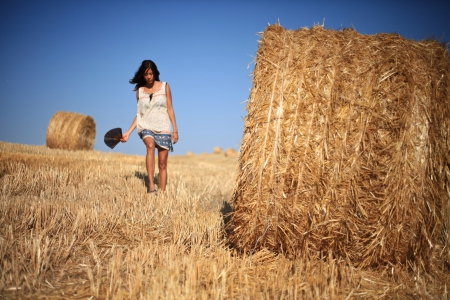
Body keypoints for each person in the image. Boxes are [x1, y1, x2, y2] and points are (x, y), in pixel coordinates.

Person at [120, 60, 178, 194]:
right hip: (146, 125)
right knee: (150, 146)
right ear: (143, 75)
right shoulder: (140, 91)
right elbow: (139, 114)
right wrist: (128, 132)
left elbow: (170, 108)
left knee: (162, 163)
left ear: (155, 73)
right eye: (146, 74)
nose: (149, 77)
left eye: (151, 74)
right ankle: (151, 186)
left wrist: (175, 129)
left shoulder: (165, 87)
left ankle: (162, 194)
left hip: (163, 126)